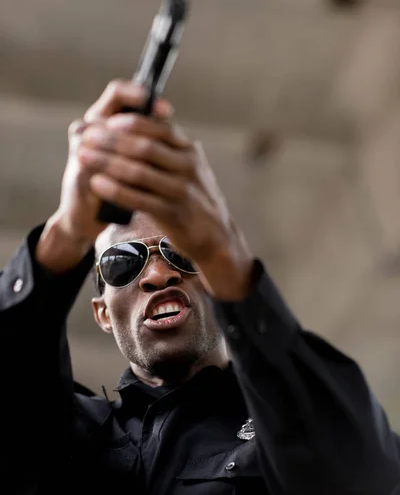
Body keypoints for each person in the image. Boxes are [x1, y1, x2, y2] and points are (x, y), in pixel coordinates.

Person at [1, 80, 399, 495]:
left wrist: (223, 252)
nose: (157, 274)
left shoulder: (282, 432)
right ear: (102, 313)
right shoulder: (58, 434)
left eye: (181, 252)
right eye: (124, 262)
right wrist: (67, 231)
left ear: (212, 283)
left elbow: (363, 473)